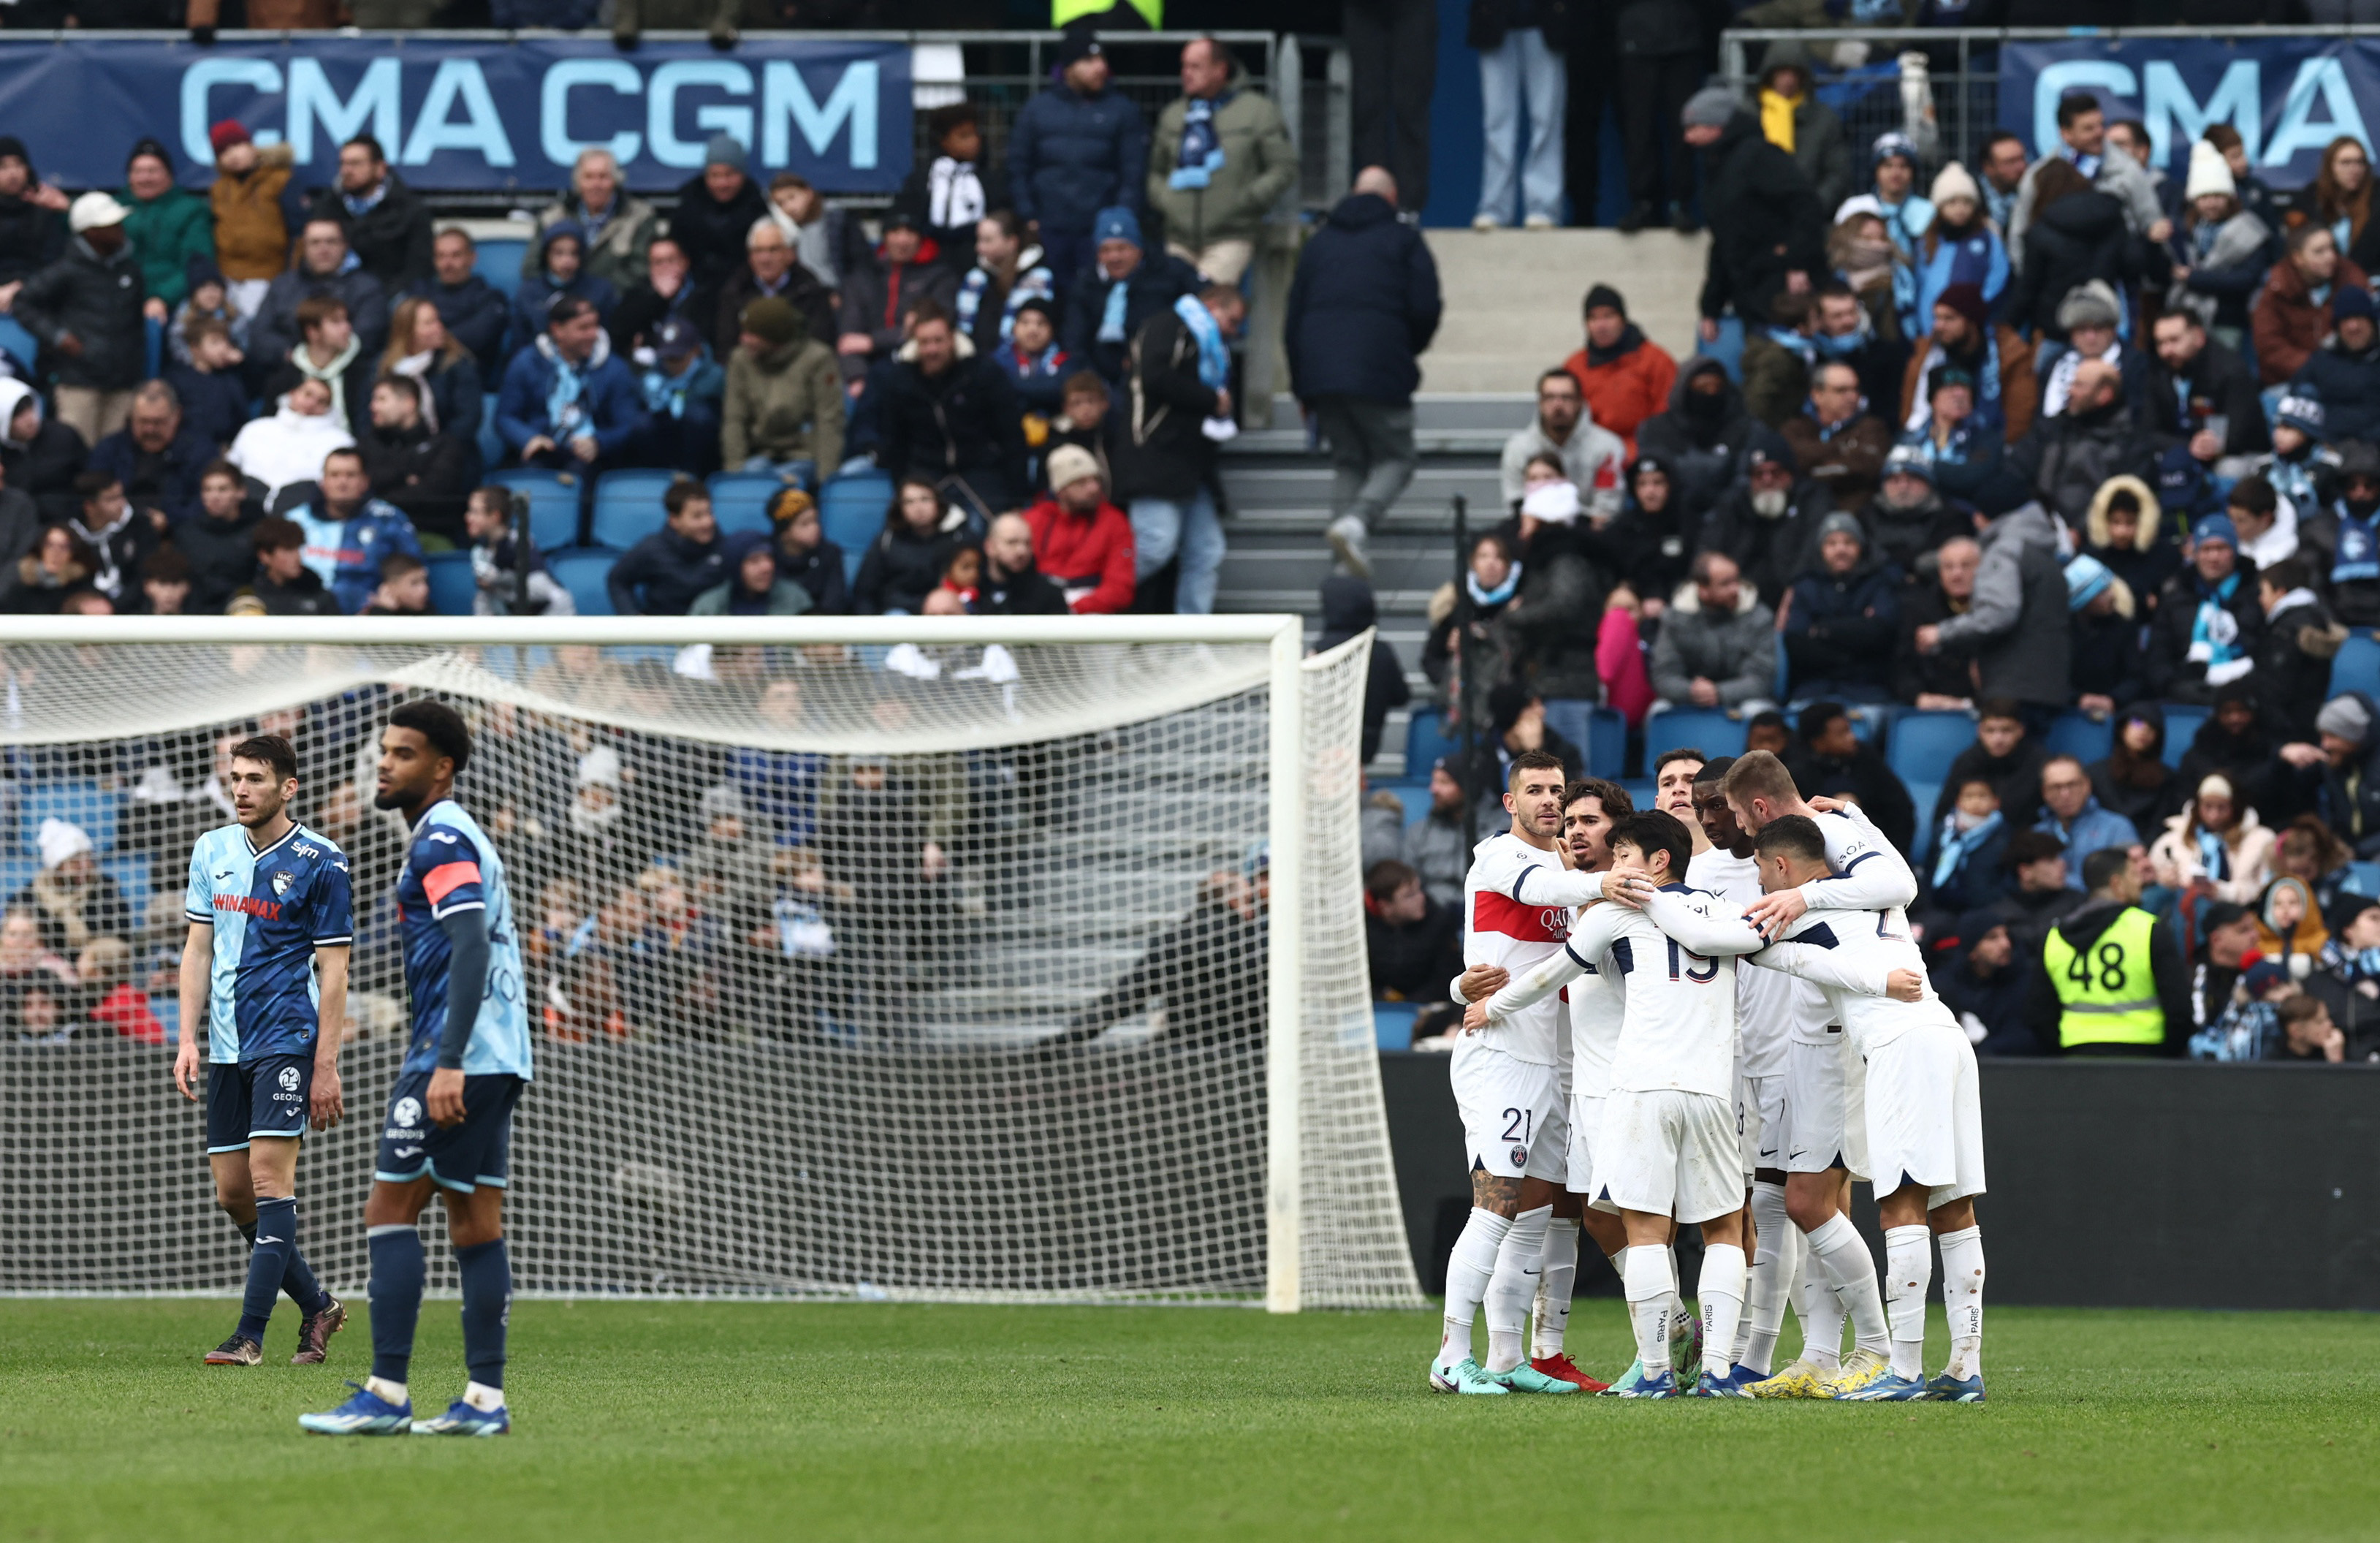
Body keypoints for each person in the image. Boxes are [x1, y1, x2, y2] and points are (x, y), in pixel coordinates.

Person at [1472, 808, 1782, 1397]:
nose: (1614, 868)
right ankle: (1717, 1369)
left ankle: (1657, 1373)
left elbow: (1550, 974)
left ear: (1658, 860)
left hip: (1640, 1086)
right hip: (1712, 1089)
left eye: (1624, 855)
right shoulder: (1720, 909)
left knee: (1643, 1230)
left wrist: (1492, 1006)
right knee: (1722, 1228)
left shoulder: (1617, 911)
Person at [301, 702, 529, 1438]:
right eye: (384, 750)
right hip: (499, 1051)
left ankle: (385, 1392)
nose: (385, 762)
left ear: (442, 767)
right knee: (474, 1223)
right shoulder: (454, 834)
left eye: (403, 752)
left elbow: (470, 945)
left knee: (388, 1212)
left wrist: (448, 1060)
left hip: (455, 1052)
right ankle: (484, 1401)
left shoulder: (440, 837)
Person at [1722, 814, 1989, 1401]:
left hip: (1899, 1048)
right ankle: (1965, 1369)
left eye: (1762, 872)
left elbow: (1756, 946)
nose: (1762, 889)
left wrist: (1872, 983)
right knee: (1954, 1209)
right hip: (1947, 1038)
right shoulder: (1882, 894)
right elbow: (1890, 878)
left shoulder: (1793, 913)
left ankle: (1904, 1369)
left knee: (1901, 1208)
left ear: (1780, 866)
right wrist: (1857, 817)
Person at [1428, 751, 1629, 1397]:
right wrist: (1601, 883)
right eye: (1535, 790)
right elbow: (1540, 891)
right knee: (1495, 1203)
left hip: (1558, 1059)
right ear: (1510, 801)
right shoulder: (1501, 857)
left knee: (1535, 1214)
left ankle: (1508, 1355)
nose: (1549, 801)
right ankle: (1450, 1354)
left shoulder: (1570, 874)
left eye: (1557, 791)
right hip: (1502, 1053)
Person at [170, 733, 351, 1368]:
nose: (240, 788)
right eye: (236, 777)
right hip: (225, 1045)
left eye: (254, 778)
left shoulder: (322, 860)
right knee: (232, 1192)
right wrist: (186, 1036)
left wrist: (324, 1063)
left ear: (287, 787)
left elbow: (334, 970)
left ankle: (249, 1335)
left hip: (287, 1039)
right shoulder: (211, 849)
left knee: (271, 1181)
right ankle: (320, 1305)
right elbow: (198, 948)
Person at [1285, 166, 1442, 580]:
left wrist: (1303, 387)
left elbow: (1293, 317)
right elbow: (1426, 307)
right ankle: (1356, 522)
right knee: (1398, 457)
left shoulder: (1318, 244)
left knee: (1349, 461)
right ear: (1391, 199)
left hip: (1321, 374)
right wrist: (1405, 348)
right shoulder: (1404, 239)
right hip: (1379, 366)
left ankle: (1343, 577)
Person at [1114, 283, 1242, 615]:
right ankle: (1095, 600)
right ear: (1212, 305)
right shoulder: (1169, 325)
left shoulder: (1208, 343)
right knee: (1155, 547)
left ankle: (1191, 642)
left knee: (1206, 551)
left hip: (1191, 466)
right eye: (1231, 320)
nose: (1234, 331)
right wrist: (1211, 399)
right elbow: (1154, 376)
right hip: (1154, 456)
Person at [1680, 88, 1827, 348]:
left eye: (1694, 127)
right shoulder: (1718, 169)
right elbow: (1724, 241)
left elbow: (1806, 206)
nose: (1687, 137)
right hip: (1749, 294)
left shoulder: (1759, 156)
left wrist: (1797, 262)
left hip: (1782, 292)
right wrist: (1711, 307)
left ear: (1716, 126)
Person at [1008, 32, 1149, 292]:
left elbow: (1133, 172)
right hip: (1049, 228)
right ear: (1069, 67)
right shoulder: (1037, 109)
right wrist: (1029, 215)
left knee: (1096, 301)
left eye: (1101, 59)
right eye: (1089, 60)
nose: (1100, 67)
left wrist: (1120, 220)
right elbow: (1018, 165)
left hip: (1099, 231)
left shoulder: (1122, 110)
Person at [1147, 37, 1295, 281]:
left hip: (1231, 235)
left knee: (1206, 308)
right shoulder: (1174, 115)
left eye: (1196, 67)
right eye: (1184, 66)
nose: (1186, 74)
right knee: (1174, 312)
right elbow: (1155, 170)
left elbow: (1284, 167)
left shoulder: (1257, 111)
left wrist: (1247, 200)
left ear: (1220, 70)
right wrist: (1166, 200)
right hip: (1178, 237)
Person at [2025, 846, 2190, 1058]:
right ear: (2116, 884)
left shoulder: (2055, 937)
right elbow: (2180, 1010)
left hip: (2078, 1057)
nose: (2139, 882)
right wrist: (2167, 1055)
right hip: (2146, 1057)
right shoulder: (2148, 930)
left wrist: (2065, 1053)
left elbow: (2038, 1014)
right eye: (2132, 875)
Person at [13, 192, 146, 447]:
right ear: (91, 233)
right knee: (73, 455)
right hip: (78, 383)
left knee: (111, 463)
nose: (119, 230)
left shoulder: (131, 270)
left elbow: (137, 327)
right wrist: (58, 336)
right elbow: (23, 302)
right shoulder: (66, 270)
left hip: (123, 384)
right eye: (111, 225)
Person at [875, 300, 1027, 520]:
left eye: (939, 341)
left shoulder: (984, 373)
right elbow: (895, 443)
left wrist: (1017, 498)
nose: (932, 349)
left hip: (982, 470)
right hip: (926, 472)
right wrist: (903, 489)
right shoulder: (899, 381)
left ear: (953, 339)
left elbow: (1012, 436)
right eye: (925, 342)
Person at [2007, 91, 2169, 265]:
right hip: (2054, 279)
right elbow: (2019, 232)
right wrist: (2030, 279)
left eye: (2101, 125)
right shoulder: (2040, 175)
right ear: (2066, 133)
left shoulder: (2127, 170)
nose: (2099, 133)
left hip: (2112, 280)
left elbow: (2151, 222)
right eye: (2088, 128)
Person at [493, 297, 646, 476]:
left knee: (580, 474)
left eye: (595, 326)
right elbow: (505, 416)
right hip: (541, 451)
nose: (593, 334)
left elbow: (628, 424)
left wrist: (598, 442)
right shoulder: (526, 363)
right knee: (532, 474)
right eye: (583, 328)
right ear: (557, 330)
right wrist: (529, 438)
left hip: (591, 458)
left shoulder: (615, 368)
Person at [1057, 205, 1199, 390]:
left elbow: (1204, 304)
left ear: (1139, 249)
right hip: (1102, 380)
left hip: (1160, 371)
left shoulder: (1170, 272)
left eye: (1122, 248)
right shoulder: (1086, 283)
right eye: (1106, 250)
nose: (1114, 257)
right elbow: (1075, 338)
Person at [1695, 431, 1828, 610]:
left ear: (1790, 474)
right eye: (1759, 474)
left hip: (1795, 598)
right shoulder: (1734, 504)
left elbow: (1814, 552)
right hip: (1737, 600)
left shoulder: (1811, 500)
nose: (1767, 480)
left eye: (1775, 472)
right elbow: (1707, 549)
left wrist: (1797, 589)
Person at [285, 447, 424, 615]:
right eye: (334, 475)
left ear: (365, 481)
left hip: (370, 623)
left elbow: (414, 572)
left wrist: (386, 601)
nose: (342, 483)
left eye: (350, 475)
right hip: (302, 617)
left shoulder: (389, 519)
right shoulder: (295, 520)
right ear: (323, 482)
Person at [2165, 140, 2276, 348]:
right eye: (2204, 197)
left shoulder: (2250, 230)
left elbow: (2245, 280)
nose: (2211, 203)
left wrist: (2194, 277)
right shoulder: (2184, 231)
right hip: (2188, 319)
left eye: (2218, 196)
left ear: (2229, 198)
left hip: (2230, 320)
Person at [1780, 512, 1898, 706]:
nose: (1840, 550)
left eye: (1848, 542)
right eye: (1832, 543)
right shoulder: (1805, 586)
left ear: (1861, 547)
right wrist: (1854, 642)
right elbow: (1796, 642)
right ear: (1821, 549)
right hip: (1813, 689)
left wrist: (1821, 630)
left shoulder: (1879, 583)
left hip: (1867, 691)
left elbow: (1881, 632)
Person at [2143, 512, 2262, 705]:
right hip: (2185, 694)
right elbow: (2159, 655)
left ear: (2234, 551)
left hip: (2246, 694)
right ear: (2195, 554)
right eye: (2206, 549)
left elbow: (2265, 650)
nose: (2213, 557)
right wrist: (2174, 686)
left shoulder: (2257, 594)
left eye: (2221, 548)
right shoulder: (2175, 596)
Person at [1467, 0, 1566, 230]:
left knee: (1547, 120)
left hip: (1546, 20)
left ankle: (1544, 207)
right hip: (1494, 18)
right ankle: (1494, 209)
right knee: (1497, 122)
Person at [721, 296, 843, 479]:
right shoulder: (740, 360)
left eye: (752, 334)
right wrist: (734, 473)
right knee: (752, 476)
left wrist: (825, 479)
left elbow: (829, 421)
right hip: (760, 454)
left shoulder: (818, 359)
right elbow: (734, 419)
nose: (744, 339)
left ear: (773, 337)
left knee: (779, 483)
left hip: (804, 455)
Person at [1899, 283, 2036, 443]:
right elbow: (1909, 413)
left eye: (1949, 318)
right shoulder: (1926, 354)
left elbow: (2019, 420)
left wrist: (1985, 453)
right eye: (1937, 318)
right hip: (1931, 445)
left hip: (1992, 450)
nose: (1939, 326)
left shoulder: (2010, 355)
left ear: (1972, 323)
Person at [250, 219, 390, 371]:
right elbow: (260, 334)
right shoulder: (283, 285)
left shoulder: (367, 287)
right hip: (290, 370)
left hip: (351, 372)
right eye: (315, 243)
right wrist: (296, 355)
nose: (323, 249)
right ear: (304, 247)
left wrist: (322, 358)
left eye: (331, 242)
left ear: (345, 246)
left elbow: (366, 335)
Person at [832, 211, 948, 388]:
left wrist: (873, 342)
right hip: (869, 370)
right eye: (895, 232)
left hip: (920, 368)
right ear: (885, 237)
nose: (902, 240)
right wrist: (857, 378)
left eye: (910, 233)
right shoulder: (861, 278)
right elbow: (849, 339)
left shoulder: (939, 277)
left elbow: (935, 329)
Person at [894, 103, 1009, 276]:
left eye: (974, 134)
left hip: (977, 262)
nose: (974, 142)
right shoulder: (922, 179)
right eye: (964, 136)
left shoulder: (990, 180)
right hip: (929, 262)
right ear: (945, 141)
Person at [523, 148, 660, 295]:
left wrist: (598, 297)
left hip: (617, 306)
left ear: (615, 180)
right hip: (562, 307)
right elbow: (532, 270)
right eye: (589, 177)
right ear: (578, 181)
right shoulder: (553, 218)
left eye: (603, 177)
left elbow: (641, 270)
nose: (596, 184)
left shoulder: (640, 217)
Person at [1562, 284, 1675, 458]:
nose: (1601, 325)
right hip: (1590, 454)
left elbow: (1667, 415)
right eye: (1593, 319)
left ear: (1623, 320)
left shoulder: (1655, 360)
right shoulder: (1574, 366)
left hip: (1645, 453)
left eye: (1608, 316)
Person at [306, 135, 432, 292]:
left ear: (380, 169)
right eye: (343, 164)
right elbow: (307, 263)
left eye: (355, 164)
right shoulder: (326, 208)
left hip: (390, 299)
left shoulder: (409, 210)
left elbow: (418, 269)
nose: (346, 170)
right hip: (330, 297)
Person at [356, 375, 470, 545]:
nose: (373, 407)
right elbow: (357, 489)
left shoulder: (444, 446)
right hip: (366, 533)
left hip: (426, 533)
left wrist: (380, 495)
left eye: (382, 399)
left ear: (409, 403)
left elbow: (432, 495)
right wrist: (403, 477)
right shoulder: (366, 445)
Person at [1635, 357, 1754, 519]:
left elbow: (1745, 479)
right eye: (1702, 388)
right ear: (1684, 390)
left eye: (1716, 387)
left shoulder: (1743, 428)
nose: (1710, 394)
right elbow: (1652, 478)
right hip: (1671, 518)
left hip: (1728, 519)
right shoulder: (1656, 429)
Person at [1023, 444, 1136, 614]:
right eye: (1081, 482)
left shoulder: (1114, 521)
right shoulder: (1033, 520)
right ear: (1060, 490)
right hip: (1038, 605)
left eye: (1096, 480)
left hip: (1091, 610)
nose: (1094, 488)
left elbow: (1120, 587)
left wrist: (1073, 608)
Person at [2255, 224, 2370, 389]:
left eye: (2333, 249)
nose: (2330, 257)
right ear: (2298, 258)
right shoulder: (2277, 291)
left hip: (2350, 376)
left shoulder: (2353, 283)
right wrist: (2317, 368)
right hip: (2292, 380)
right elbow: (2270, 347)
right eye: (2319, 252)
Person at [88, 379, 213, 528]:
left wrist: (171, 520)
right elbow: (92, 497)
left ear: (177, 416)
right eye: (143, 421)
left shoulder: (201, 453)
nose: (150, 430)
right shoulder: (109, 449)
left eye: (158, 422)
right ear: (131, 416)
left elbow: (206, 503)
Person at [1500, 368, 1624, 515]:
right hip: (1533, 532)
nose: (1558, 405)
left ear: (1579, 402)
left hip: (1590, 534)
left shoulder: (1607, 447)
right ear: (1540, 402)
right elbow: (1515, 504)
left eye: (1566, 397)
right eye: (1550, 397)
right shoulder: (1518, 448)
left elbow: (1607, 511)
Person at [1748, 40, 1851, 216]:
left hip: (1807, 216)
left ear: (1804, 78)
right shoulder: (1750, 116)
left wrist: (1812, 207)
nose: (1788, 80)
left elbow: (1837, 173)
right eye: (1782, 72)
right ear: (1770, 74)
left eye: (1795, 73)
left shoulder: (1824, 120)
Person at [205, 123, 294, 322]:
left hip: (270, 276)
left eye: (236, 146)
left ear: (251, 146)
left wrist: (290, 277)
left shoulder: (280, 180)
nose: (232, 155)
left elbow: (298, 232)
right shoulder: (219, 190)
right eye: (223, 152)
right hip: (228, 279)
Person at [2151, 308, 2267, 460]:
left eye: (2174, 340)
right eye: (2160, 343)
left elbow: (2241, 434)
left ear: (2199, 337)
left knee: (2228, 469)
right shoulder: (2159, 370)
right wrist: (2188, 446)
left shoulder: (2230, 370)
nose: (2167, 350)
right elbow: (2147, 431)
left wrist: (2208, 445)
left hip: (2236, 455)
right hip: (2182, 452)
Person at [1780, 360, 1892, 514]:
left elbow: (1867, 468)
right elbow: (1790, 464)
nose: (1852, 397)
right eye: (1841, 390)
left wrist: (1813, 471)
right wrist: (1843, 447)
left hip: (1854, 517)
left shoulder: (1871, 427)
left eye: (1855, 390)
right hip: (1803, 515)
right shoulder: (1795, 429)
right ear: (1817, 395)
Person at [227, 377, 354, 509]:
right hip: (245, 512)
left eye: (321, 401)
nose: (311, 403)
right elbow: (230, 470)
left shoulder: (339, 442)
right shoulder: (255, 429)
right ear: (293, 393)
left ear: (328, 409)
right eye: (308, 394)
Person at [118, 137, 210, 319]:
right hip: (119, 302)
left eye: (153, 171)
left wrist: (162, 298)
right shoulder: (113, 210)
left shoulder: (190, 210)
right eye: (138, 171)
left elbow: (197, 263)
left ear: (169, 175)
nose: (145, 178)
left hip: (173, 306)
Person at [666, 134, 769, 296]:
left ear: (742, 174)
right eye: (715, 175)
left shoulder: (758, 209)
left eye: (729, 175)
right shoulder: (687, 207)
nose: (722, 183)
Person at [2148, 772, 2274, 904]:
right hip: (2183, 910)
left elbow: (2268, 890)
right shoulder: (2172, 841)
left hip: (2239, 913)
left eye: (2222, 807)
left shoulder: (2262, 841)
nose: (2214, 815)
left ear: (2235, 807)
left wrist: (2222, 892)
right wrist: (2164, 882)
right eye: (2208, 806)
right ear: (2197, 806)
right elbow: (2150, 879)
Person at [607, 478, 726, 617]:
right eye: (697, 516)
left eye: (709, 513)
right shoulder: (652, 548)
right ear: (674, 520)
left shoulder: (727, 547)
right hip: (664, 633)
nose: (707, 522)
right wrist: (632, 617)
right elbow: (617, 580)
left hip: (713, 632)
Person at [403, 229, 508, 382]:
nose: (447, 264)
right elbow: (401, 333)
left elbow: (477, 338)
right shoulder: (418, 292)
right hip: (413, 379)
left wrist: (425, 337)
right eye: (441, 256)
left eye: (456, 255)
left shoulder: (491, 298)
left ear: (472, 258)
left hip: (467, 382)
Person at [853, 477, 967, 616]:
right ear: (900, 508)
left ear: (938, 502)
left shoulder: (958, 538)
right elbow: (865, 592)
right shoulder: (886, 541)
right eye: (909, 502)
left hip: (945, 612)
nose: (918, 508)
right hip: (899, 613)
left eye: (925, 499)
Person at [263, 295, 374, 436]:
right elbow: (267, 427)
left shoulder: (361, 374)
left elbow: (365, 430)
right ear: (313, 332)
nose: (347, 328)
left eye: (346, 320)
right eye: (336, 322)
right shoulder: (284, 378)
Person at [954, 212, 1055, 358]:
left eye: (987, 240)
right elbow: (962, 329)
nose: (979, 248)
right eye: (979, 240)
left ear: (1012, 242)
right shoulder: (974, 278)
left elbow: (1034, 330)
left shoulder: (1038, 277)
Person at [2034, 754, 2140, 890]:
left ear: (2086, 785)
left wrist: (2063, 882)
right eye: (2056, 787)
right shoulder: (2036, 837)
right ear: (2045, 792)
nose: (2065, 794)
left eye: (2072, 785)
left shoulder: (2117, 828)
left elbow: (2128, 885)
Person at [1364, 857, 1461, 1001]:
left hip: (1430, 1008)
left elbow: (1445, 980)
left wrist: (1408, 1005)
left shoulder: (1441, 921)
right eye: (1410, 895)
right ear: (1385, 906)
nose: (1421, 897)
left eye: (1419, 889)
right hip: (1379, 1008)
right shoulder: (1362, 928)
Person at [512, 223, 620, 351]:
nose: (567, 261)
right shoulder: (529, 292)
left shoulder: (601, 291)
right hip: (538, 364)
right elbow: (519, 343)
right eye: (559, 253)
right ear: (546, 255)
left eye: (574, 253)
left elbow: (610, 342)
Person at [179, 461, 262, 613]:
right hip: (196, 618)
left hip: (244, 617)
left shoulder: (259, 532)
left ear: (241, 492)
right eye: (207, 490)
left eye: (222, 489)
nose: (214, 496)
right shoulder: (186, 533)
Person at [166, 317, 254, 452]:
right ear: (194, 348)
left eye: (226, 341)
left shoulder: (231, 379)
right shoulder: (176, 378)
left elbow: (242, 419)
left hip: (223, 450)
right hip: (186, 448)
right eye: (215, 342)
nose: (223, 348)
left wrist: (242, 363)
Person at [689, 528, 810, 618]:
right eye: (754, 561)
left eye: (769, 558)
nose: (767, 567)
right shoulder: (709, 608)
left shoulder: (796, 600)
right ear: (735, 567)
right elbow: (690, 649)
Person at [769, 488, 849, 615]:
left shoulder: (831, 554)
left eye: (815, 520)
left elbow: (834, 604)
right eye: (805, 524)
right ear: (785, 533)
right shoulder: (766, 556)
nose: (815, 528)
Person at [976, 512, 1068, 617]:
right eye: (1012, 542)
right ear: (990, 547)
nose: (1022, 551)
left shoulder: (1050, 595)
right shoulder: (968, 590)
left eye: (1027, 543)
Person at [242, 518, 334, 617]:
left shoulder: (319, 595)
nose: (297, 557)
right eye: (288, 550)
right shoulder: (248, 598)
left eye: (298, 548)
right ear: (265, 556)